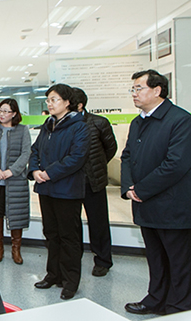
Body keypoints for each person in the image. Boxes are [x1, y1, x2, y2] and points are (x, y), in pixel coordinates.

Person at [121, 69, 191, 315]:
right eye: (133, 89)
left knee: (179, 260)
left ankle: (179, 306)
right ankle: (156, 299)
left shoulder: (181, 120)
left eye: (139, 88)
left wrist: (141, 189)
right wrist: (128, 188)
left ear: (157, 90)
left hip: (172, 205)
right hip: (145, 203)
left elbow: (176, 164)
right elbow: (127, 156)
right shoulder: (138, 121)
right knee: (155, 257)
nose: (134, 93)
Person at [29, 83, 89, 300]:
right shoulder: (48, 125)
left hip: (67, 189)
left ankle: (70, 280)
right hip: (46, 189)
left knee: (68, 236)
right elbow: (35, 150)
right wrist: (35, 170)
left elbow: (76, 157)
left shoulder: (79, 126)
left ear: (67, 102)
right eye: (48, 100)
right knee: (51, 233)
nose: (50, 104)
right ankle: (53, 274)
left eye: (54, 100)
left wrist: (49, 173)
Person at [71, 88, 117, 277]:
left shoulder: (99, 123)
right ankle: (74, 259)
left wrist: (96, 165)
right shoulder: (62, 123)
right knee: (72, 224)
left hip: (93, 180)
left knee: (98, 223)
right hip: (70, 182)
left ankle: (103, 260)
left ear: (80, 105)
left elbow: (110, 148)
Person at [0, 98, 31, 264]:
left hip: (15, 181)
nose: (2, 114)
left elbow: (26, 153)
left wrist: (12, 171)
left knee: (17, 214)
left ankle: (16, 250)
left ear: (14, 113)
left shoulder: (23, 130)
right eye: (0, 110)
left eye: (6, 111)